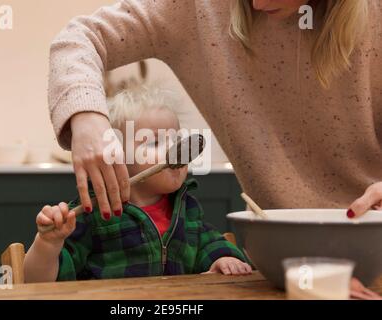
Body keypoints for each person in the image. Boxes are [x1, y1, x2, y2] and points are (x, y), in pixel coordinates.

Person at [48, 0, 382, 219]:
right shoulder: (197, 7)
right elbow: (80, 39)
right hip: (283, 261)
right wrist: (87, 116)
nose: (256, 3)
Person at [24, 85, 252, 282]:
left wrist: (224, 258)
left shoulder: (186, 208)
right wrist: (48, 244)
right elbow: (38, 281)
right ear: (114, 157)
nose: (174, 149)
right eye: (155, 142)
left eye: (176, 139)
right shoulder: (92, 214)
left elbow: (208, 242)